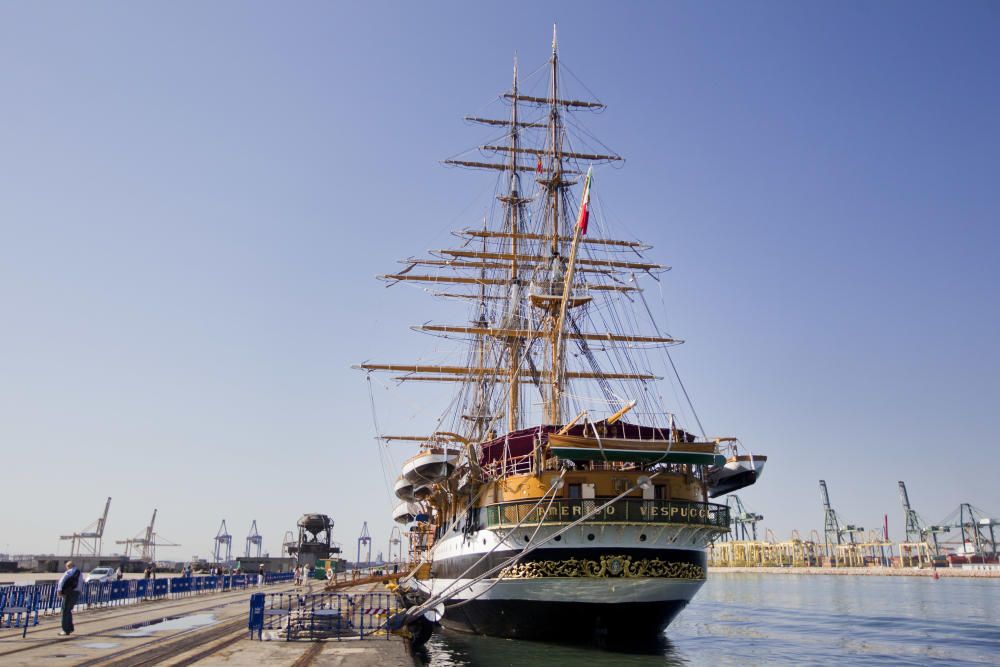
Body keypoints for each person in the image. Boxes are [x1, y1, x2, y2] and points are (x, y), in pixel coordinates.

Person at [56, 560, 84, 636]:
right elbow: (81, 583)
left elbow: (61, 581)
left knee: (65, 610)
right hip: (76, 593)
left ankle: (65, 629)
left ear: (68, 566)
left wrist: (59, 590)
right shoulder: (79, 573)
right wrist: (80, 591)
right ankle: (70, 628)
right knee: (69, 610)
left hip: (69, 593)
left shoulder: (69, 572)